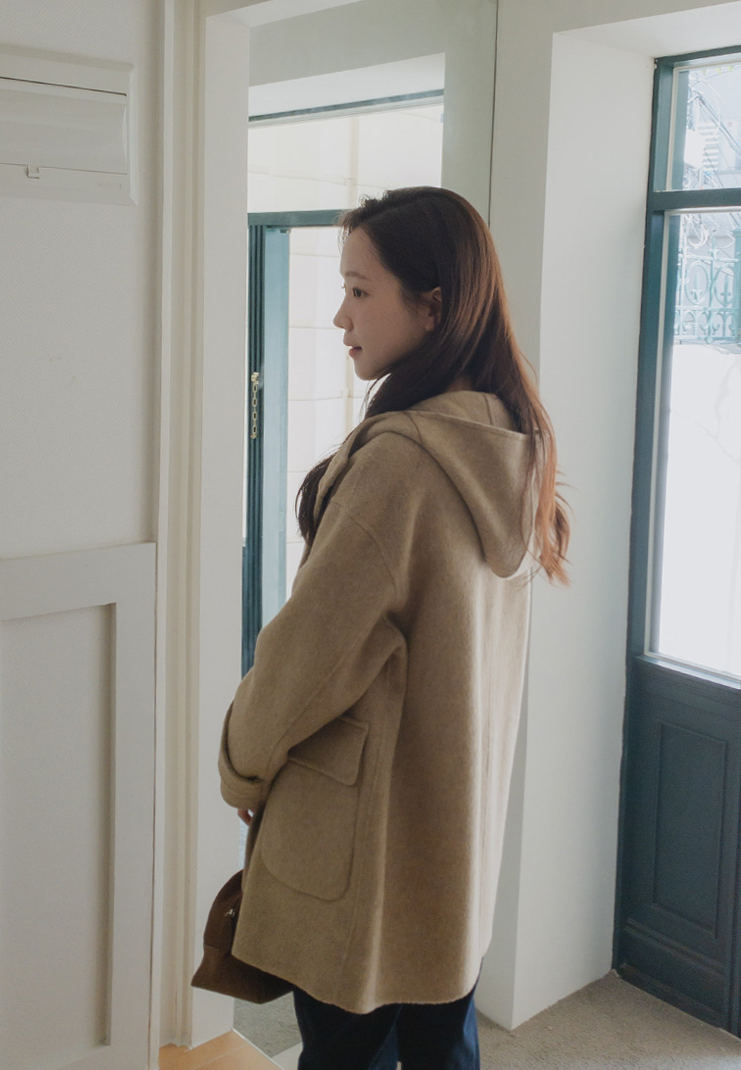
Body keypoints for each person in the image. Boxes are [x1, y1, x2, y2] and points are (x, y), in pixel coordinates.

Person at [218, 186, 570, 1069]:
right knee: (443, 1046)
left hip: (360, 854)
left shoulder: (402, 465)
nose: (341, 316)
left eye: (359, 290)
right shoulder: (512, 444)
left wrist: (241, 764)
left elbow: (304, 661)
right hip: (449, 848)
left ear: (432, 307)